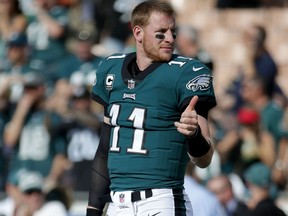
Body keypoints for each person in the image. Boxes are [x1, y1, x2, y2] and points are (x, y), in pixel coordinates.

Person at [87, 1, 217, 215]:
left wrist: (193, 135)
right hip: (118, 204)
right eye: (161, 33)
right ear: (138, 33)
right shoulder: (111, 68)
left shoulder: (187, 73)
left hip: (161, 200)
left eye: (173, 32)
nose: (170, 39)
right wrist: (93, 208)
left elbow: (204, 160)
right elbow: (104, 151)